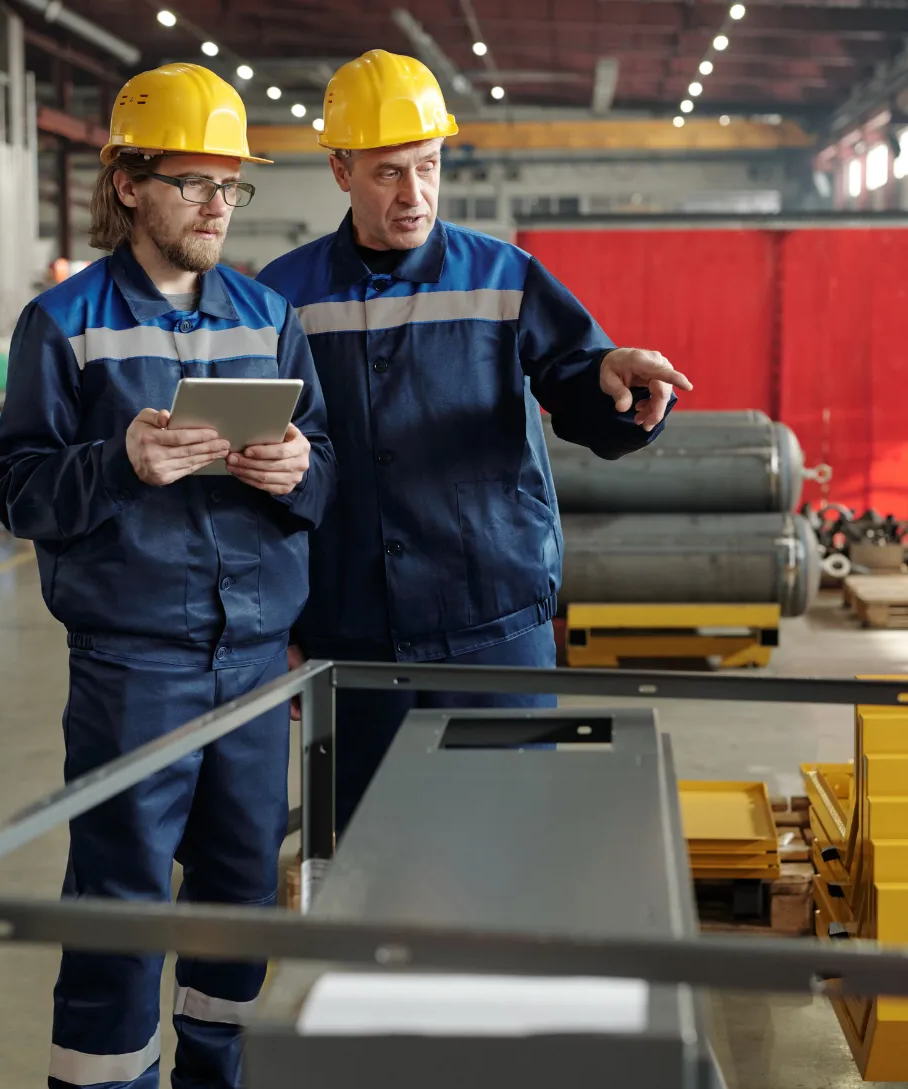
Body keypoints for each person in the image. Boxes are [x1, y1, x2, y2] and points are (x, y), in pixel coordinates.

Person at [0, 63, 335, 1089]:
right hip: (134, 664)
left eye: (229, 187)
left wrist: (295, 470)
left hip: (252, 666)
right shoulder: (66, 324)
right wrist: (116, 461)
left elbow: (324, 472)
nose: (216, 208)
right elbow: (20, 488)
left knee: (238, 902)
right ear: (126, 183)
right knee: (123, 916)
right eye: (191, 184)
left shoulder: (267, 315)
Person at [257, 49, 692, 836]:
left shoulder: (502, 275)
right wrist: (279, 625)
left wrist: (612, 378)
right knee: (365, 850)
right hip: (350, 625)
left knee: (511, 840)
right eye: (388, 172)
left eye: (428, 166)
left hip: (492, 618)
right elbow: (265, 471)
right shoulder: (283, 296)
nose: (414, 194)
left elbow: (576, 378)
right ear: (339, 169)